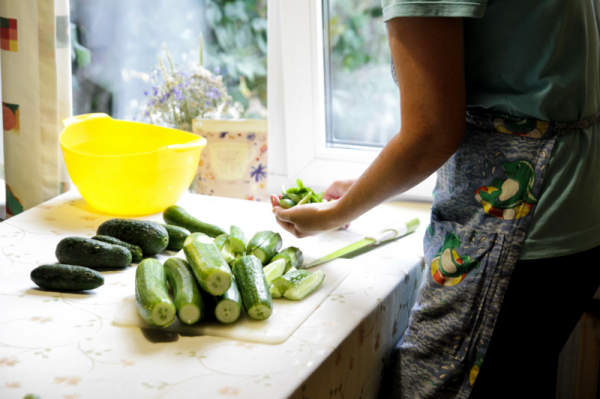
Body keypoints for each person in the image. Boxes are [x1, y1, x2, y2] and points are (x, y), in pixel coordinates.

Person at [270, 0, 600, 397]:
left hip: (519, 230)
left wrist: (334, 214)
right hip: (576, 208)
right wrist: (363, 186)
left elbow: (430, 133)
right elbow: (520, 82)